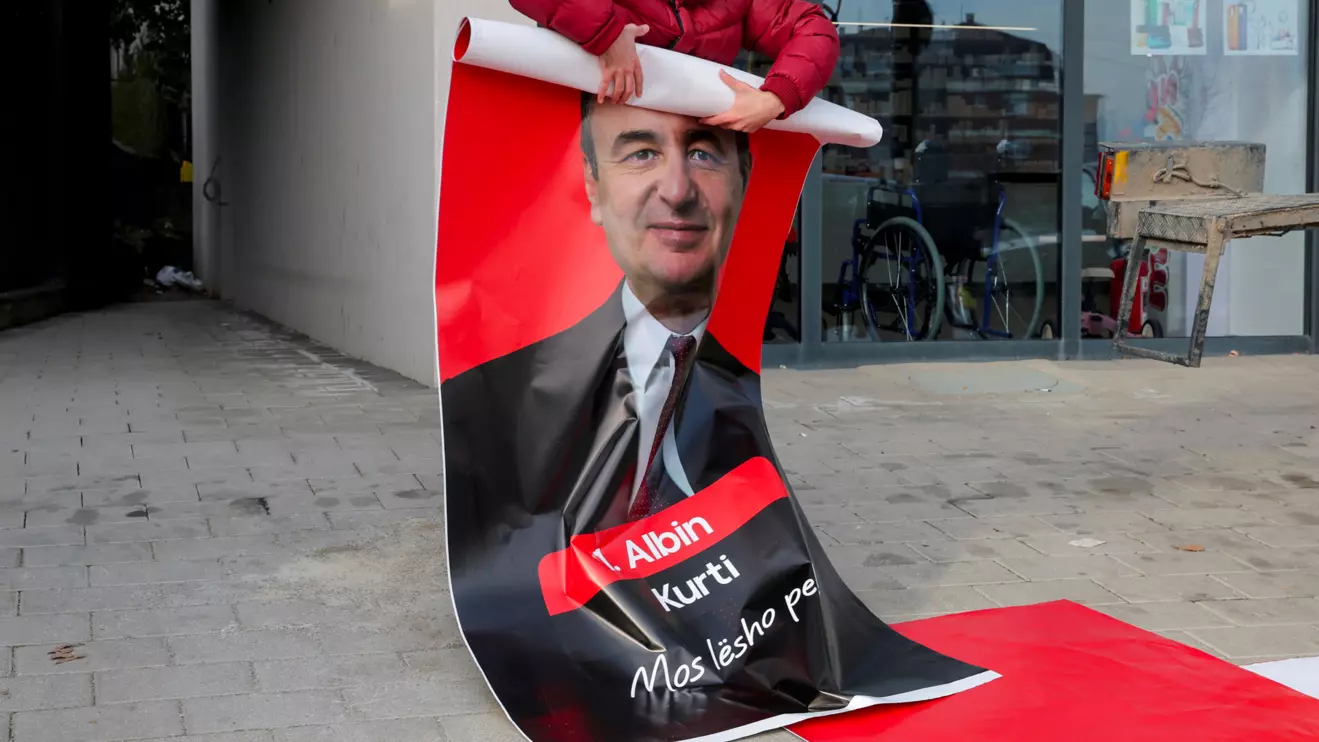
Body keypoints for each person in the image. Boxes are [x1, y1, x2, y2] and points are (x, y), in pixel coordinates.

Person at [508, 0, 841, 133]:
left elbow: (813, 27)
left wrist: (774, 98)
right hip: (587, 141)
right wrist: (607, 36)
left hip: (691, 151)